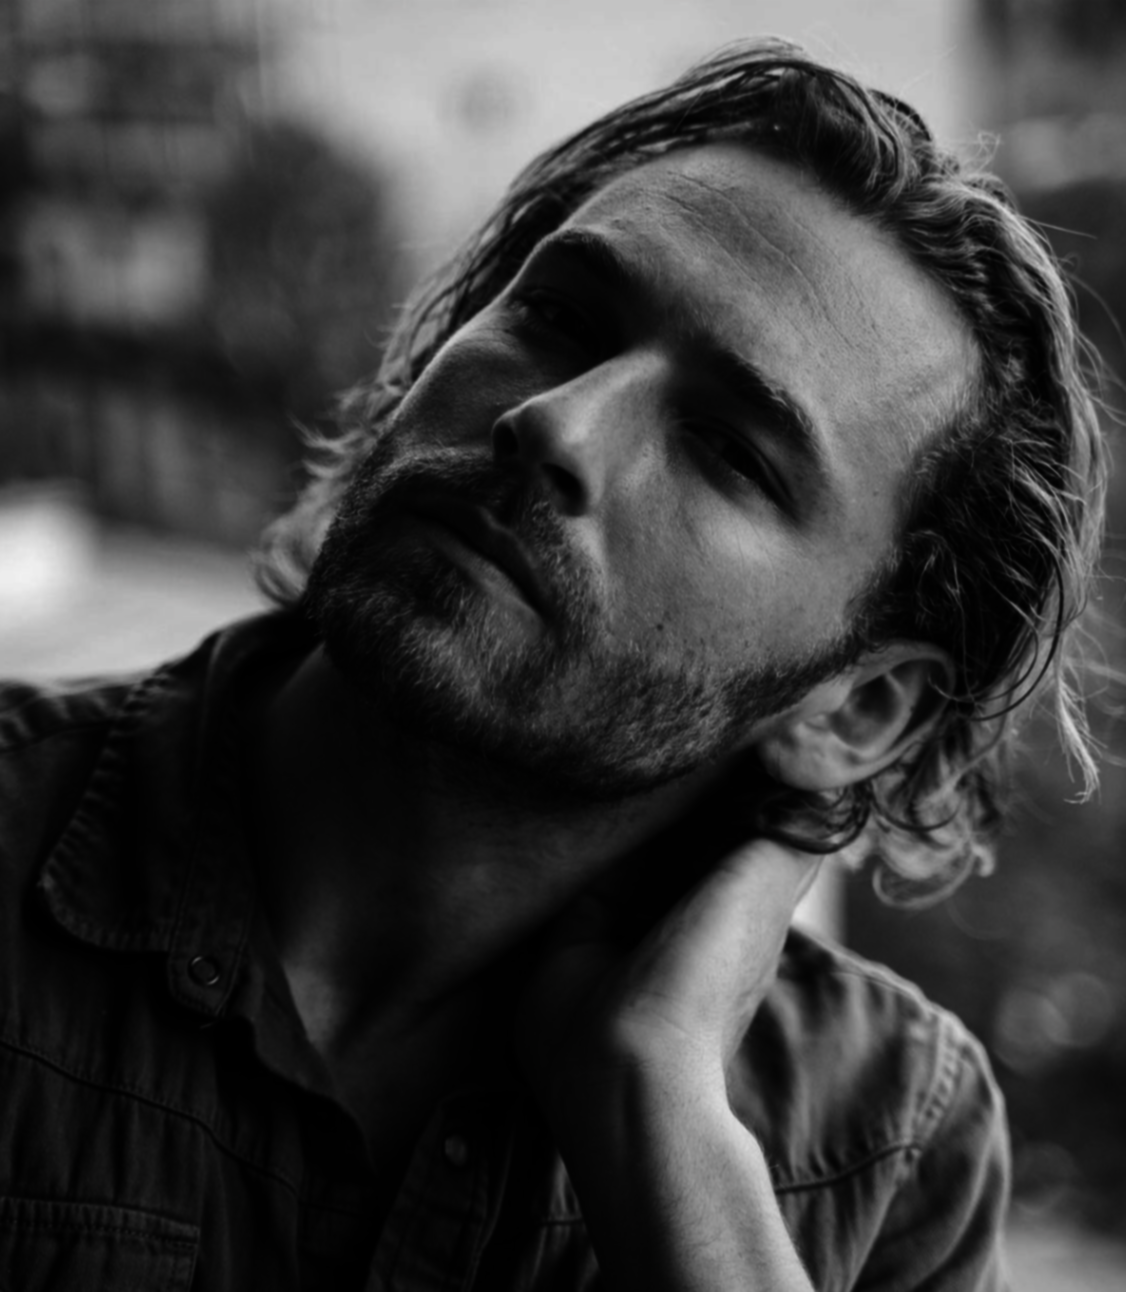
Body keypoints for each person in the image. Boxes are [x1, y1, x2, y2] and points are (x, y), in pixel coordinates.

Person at [0, 37, 1106, 1292]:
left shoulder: (885, 1144)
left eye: (729, 450)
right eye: (560, 317)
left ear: (856, 708)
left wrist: (665, 1118)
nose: (553, 422)